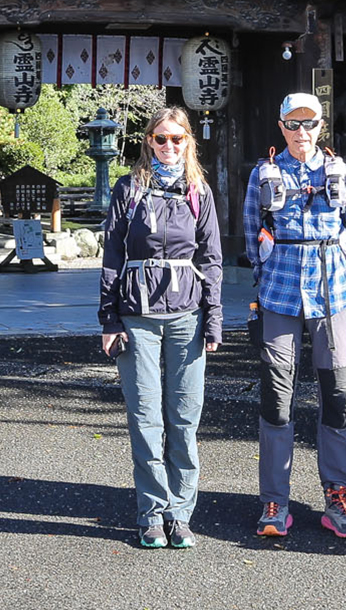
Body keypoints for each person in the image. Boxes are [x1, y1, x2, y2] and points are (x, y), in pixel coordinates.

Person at [98, 106, 224, 550]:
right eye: (160, 138)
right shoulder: (130, 189)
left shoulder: (198, 191)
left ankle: (180, 513)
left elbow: (210, 259)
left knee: (185, 417)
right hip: (137, 315)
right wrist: (109, 318)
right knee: (145, 418)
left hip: (186, 315)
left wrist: (214, 318)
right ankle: (151, 511)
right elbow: (112, 254)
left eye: (177, 139)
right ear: (148, 142)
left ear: (189, 142)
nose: (169, 146)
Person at [242, 93, 346, 539]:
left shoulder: (340, 173)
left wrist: (336, 269)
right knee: (276, 397)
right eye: (292, 125)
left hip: (332, 292)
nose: (301, 133)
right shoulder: (264, 174)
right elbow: (249, 231)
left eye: (309, 124)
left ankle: (338, 494)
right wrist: (266, 272)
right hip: (278, 292)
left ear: (321, 125)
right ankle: (274, 499)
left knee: (337, 394)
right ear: (281, 127)